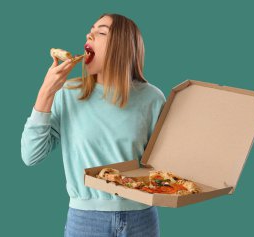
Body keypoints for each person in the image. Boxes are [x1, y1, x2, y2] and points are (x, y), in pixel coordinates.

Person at [21, 13, 166, 237]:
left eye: (101, 32)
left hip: (142, 218)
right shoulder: (68, 94)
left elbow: (165, 165)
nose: (89, 34)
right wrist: (45, 93)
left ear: (122, 46)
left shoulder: (153, 98)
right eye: (91, 30)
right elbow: (31, 156)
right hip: (86, 220)